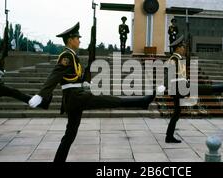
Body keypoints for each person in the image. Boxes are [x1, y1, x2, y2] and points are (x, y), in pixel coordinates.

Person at [28, 22, 156, 162]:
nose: (79, 40)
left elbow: (71, 76)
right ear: (70, 40)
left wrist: (84, 82)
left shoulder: (72, 55)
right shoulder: (67, 56)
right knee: (109, 100)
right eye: (77, 38)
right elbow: (55, 74)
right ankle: (142, 101)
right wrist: (41, 95)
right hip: (76, 97)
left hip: (74, 97)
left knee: (70, 135)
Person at [163, 35, 223, 143]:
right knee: (204, 88)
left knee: (176, 113)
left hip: (178, 88)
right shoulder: (174, 59)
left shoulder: (177, 58)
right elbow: (167, 76)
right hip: (179, 88)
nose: (184, 49)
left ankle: (169, 137)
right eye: (183, 47)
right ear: (178, 47)